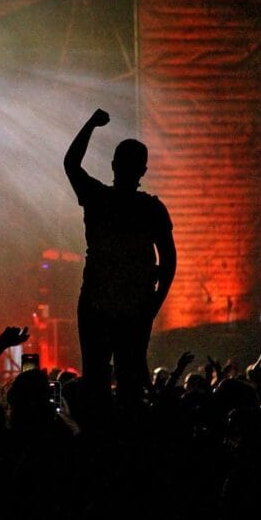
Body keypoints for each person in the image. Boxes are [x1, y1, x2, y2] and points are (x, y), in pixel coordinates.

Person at [64, 108, 176, 409]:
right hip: (135, 304)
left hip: (97, 302)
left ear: (113, 165)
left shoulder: (98, 198)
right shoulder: (151, 209)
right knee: (130, 379)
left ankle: (96, 440)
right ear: (143, 170)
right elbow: (169, 262)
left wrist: (91, 124)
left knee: (95, 377)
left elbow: (71, 163)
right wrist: (154, 303)